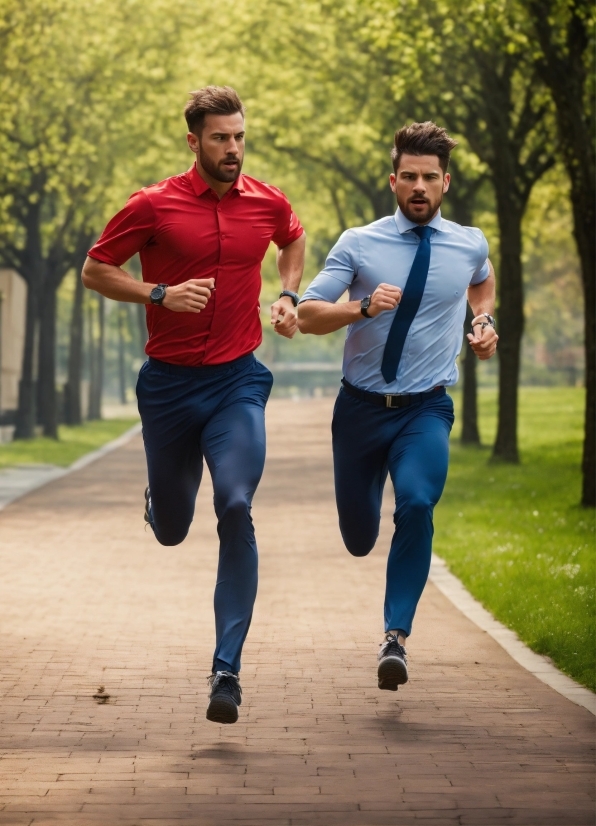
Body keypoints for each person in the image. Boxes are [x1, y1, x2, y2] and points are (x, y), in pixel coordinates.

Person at [82, 86, 305, 724]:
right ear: (193, 141)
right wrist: (158, 293)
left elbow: (292, 238)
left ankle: (226, 669)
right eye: (220, 139)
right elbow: (96, 269)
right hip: (169, 388)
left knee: (235, 504)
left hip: (237, 381)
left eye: (239, 136)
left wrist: (288, 295)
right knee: (176, 528)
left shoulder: (267, 201)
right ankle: (160, 503)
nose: (233, 149)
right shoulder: (151, 204)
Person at [298, 121, 497, 692]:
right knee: (359, 537)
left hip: (425, 408)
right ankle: (369, 545)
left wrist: (482, 321)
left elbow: (480, 283)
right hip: (360, 410)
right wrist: (360, 309)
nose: (418, 186)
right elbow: (310, 314)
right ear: (392, 181)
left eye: (428, 177)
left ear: (445, 183)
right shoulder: (358, 243)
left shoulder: (469, 242)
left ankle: (395, 637)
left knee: (416, 501)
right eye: (408, 176)